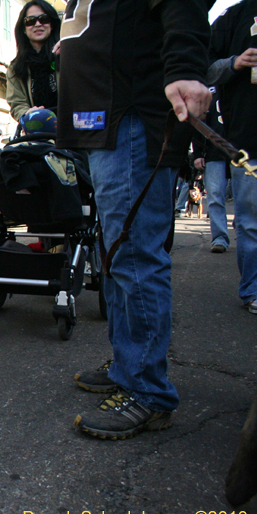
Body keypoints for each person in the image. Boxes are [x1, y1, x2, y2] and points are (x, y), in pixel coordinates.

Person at [58, 0, 212, 439]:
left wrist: (184, 66)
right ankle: (130, 367)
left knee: (135, 255)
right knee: (117, 254)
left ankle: (148, 391)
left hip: (129, 115)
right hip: (106, 119)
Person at [207, 0, 257, 314]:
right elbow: (201, 68)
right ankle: (253, 288)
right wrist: (235, 62)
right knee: (251, 221)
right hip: (248, 141)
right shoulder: (233, 17)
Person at [5, 0, 61, 123]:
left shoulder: (66, 55)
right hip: (37, 130)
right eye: (30, 21)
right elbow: (17, 104)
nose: (37, 24)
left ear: (52, 24)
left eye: (44, 19)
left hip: (70, 129)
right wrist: (28, 113)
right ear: (24, 29)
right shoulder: (16, 68)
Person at [191, 87, 229, 252]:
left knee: (248, 200)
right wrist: (198, 153)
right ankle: (219, 238)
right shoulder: (209, 88)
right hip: (214, 153)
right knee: (214, 197)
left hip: (242, 151)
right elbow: (198, 122)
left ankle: (245, 236)